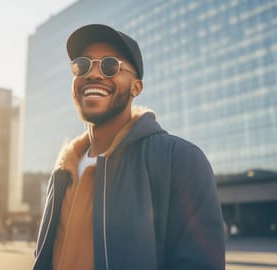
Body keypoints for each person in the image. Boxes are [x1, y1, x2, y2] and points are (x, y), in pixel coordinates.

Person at [33, 24, 225, 270]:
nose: (92, 74)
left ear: (136, 87)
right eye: (83, 65)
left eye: (110, 65)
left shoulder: (180, 159)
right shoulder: (62, 171)